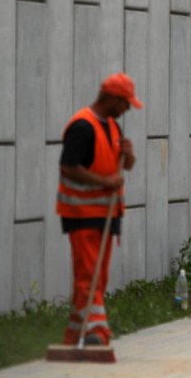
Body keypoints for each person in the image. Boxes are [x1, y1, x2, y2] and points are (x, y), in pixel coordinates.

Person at [57, 73, 141, 346]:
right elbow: (68, 166)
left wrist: (128, 155)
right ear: (113, 99)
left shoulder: (114, 128)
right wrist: (105, 182)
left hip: (106, 215)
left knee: (96, 277)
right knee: (88, 275)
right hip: (82, 215)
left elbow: (124, 167)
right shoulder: (83, 126)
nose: (128, 109)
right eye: (126, 103)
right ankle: (97, 331)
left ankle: (76, 332)